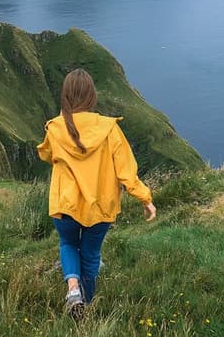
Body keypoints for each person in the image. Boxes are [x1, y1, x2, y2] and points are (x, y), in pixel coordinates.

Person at [37, 68, 157, 317]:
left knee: (68, 243)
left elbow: (46, 154)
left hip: (65, 204)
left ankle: (73, 289)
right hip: (100, 207)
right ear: (92, 96)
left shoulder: (56, 128)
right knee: (91, 254)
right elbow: (126, 173)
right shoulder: (109, 129)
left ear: (66, 96)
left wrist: (62, 120)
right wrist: (145, 199)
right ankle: (87, 303)